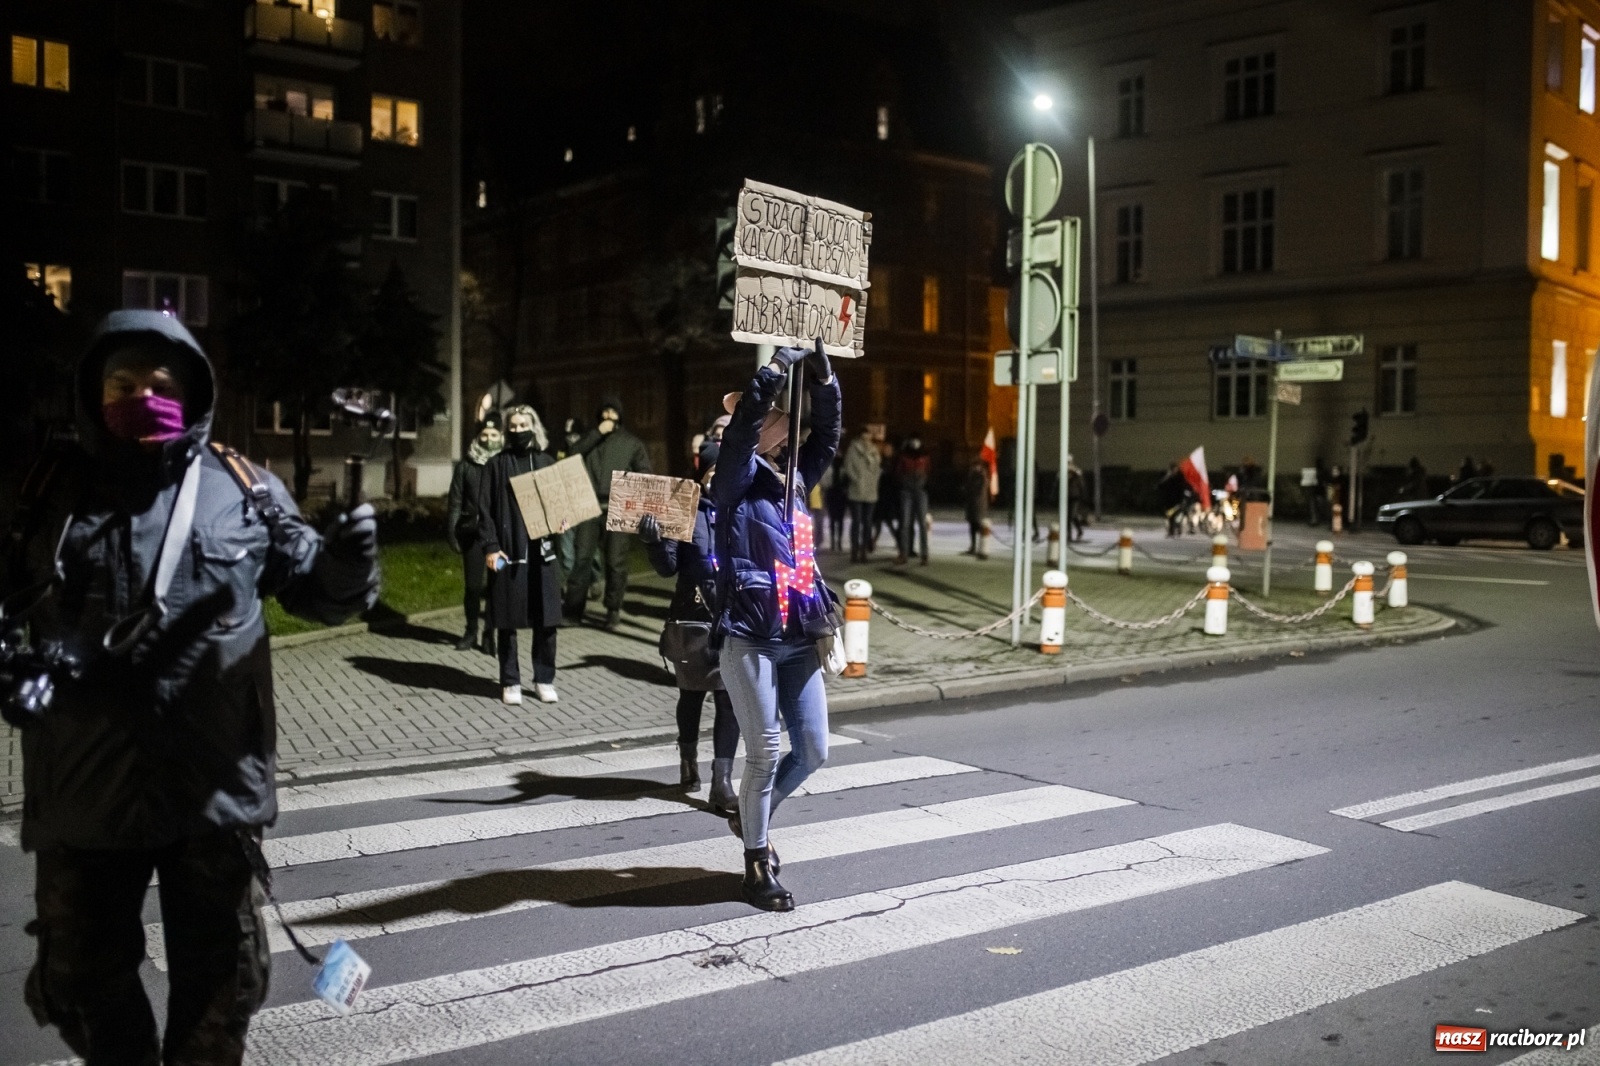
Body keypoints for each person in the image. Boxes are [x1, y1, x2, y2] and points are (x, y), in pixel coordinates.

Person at [7, 310, 378, 1065]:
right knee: (77, 980)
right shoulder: (46, 493)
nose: (143, 394)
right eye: (123, 382)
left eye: (160, 382)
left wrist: (347, 566)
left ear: (194, 390)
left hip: (211, 797)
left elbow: (322, 594)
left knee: (221, 989)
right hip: (84, 793)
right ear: (93, 391)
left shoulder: (242, 487)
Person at [711, 342, 842, 911]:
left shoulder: (791, 477)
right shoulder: (733, 480)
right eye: (773, 420)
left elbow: (830, 438)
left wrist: (825, 378)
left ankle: (749, 813)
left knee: (812, 750)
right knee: (765, 751)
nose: (784, 429)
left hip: (800, 635)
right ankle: (757, 861)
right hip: (751, 635)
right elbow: (740, 435)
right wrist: (770, 375)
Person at [639, 439, 740, 814]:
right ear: (702, 473)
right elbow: (667, 567)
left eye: (724, 471)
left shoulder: (741, 509)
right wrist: (653, 540)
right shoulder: (684, 509)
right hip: (693, 618)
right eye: (713, 471)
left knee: (729, 697)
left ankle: (723, 781)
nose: (718, 477)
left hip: (732, 618)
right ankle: (687, 761)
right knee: (692, 695)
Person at [479, 405, 564, 705]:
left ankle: (544, 678)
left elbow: (559, 507)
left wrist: (562, 521)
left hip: (542, 555)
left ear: (534, 426)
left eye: (522, 425)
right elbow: (484, 511)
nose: (517, 430)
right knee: (507, 619)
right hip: (508, 552)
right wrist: (490, 546)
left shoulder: (545, 462)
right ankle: (510, 680)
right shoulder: (495, 465)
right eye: (512, 426)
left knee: (547, 620)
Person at [564, 396, 651, 629]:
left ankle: (613, 609)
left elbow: (644, 474)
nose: (609, 416)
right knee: (581, 559)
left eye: (613, 412)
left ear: (620, 416)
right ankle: (573, 610)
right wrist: (595, 435)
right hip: (588, 507)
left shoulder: (631, 443)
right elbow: (571, 455)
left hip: (619, 509)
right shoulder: (589, 440)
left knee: (615, 562)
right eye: (605, 412)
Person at [445, 421, 502, 653]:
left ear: (501, 436)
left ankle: (490, 632)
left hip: (499, 537)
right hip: (473, 534)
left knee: (496, 587)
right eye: (484, 434)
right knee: (472, 587)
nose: (488, 438)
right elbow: (455, 501)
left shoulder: (505, 463)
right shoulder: (465, 466)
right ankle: (470, 631)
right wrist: (451, 531)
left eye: (494, 434)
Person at [841, 426, 880, 563]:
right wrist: (856, 479)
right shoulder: (853, 449)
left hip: (870, 491)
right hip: (856, 490)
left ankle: (864, 551)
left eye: (868, 436)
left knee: (868, 523)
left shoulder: (874, 450)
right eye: (864, 436)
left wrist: (874, 480)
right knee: (857, 522)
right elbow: (848, 466)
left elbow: (877, 467)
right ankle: (854, 551)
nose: (867, 439)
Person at [895, 437, 931, 565]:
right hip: (907, 492)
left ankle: (924, 555)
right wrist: (905, 483)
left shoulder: (925, 456)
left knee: (922, 524)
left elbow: (930, 472)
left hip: (920, 492)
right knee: (905, 524)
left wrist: (924, 484)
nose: (915, 443)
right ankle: (903, 554)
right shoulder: (904, 456)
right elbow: (898, 473)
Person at [820, 455, 848, 552]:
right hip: (833, 494)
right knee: (835, 519)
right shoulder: (833, 469)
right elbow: (825, 482)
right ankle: (834, 542)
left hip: (838, 495)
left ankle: (837, 542)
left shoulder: (841, 470)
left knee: (838, 520)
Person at [962, 457, 990, 557]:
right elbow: (968, 486)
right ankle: (973, 546)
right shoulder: (972, 475)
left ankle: (981, 547)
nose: (974, 468)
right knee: (972, 526)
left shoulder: (982, 476)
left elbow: (980, 490)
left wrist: (970, 491)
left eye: (975, 466)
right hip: (971, 504)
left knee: (978, 526)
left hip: (979, 504)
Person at [1066, 458, 1087, 541]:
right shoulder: (1064, 472)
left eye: (1069, 462)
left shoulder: (1077, 471)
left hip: (1075, 497)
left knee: (1072, 515)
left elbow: (1082, 483)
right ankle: (1072, 534)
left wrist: (1074, 472)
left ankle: (1074, 532)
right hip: (1067, 496)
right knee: (1069, 517)